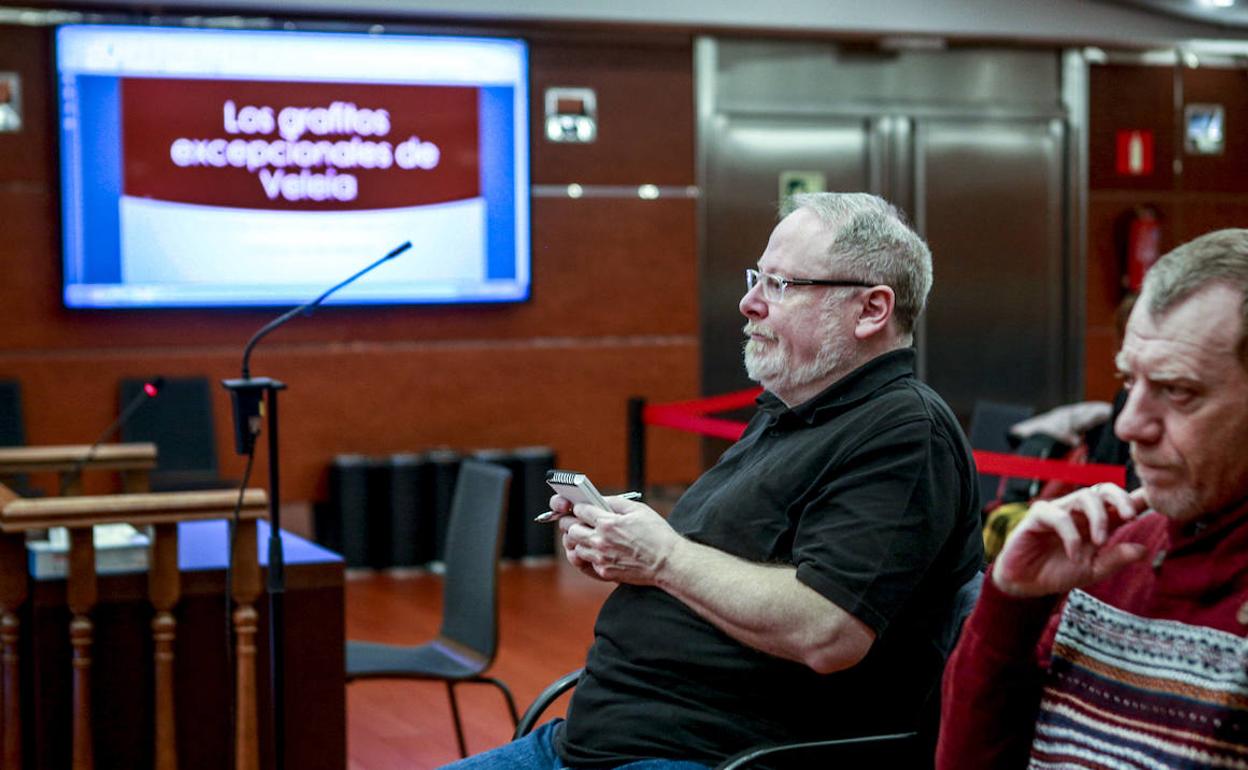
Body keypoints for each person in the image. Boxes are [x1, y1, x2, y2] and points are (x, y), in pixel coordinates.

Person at [448, 192, 983, 769]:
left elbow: (828, 630)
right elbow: (710, 569)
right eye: (758, 278)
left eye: (781, 285)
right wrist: (620, 546)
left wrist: (662, 559)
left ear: (871, 310)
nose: (749, 303)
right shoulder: (795, 409)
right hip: (593, 740)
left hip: (717, 756)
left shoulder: (904, 432)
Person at [936, 228, 1248, 770]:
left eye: (1178, 391)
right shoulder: (1111, 553)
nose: (1128, 425)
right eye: (1129, 382)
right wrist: (1010, 606)